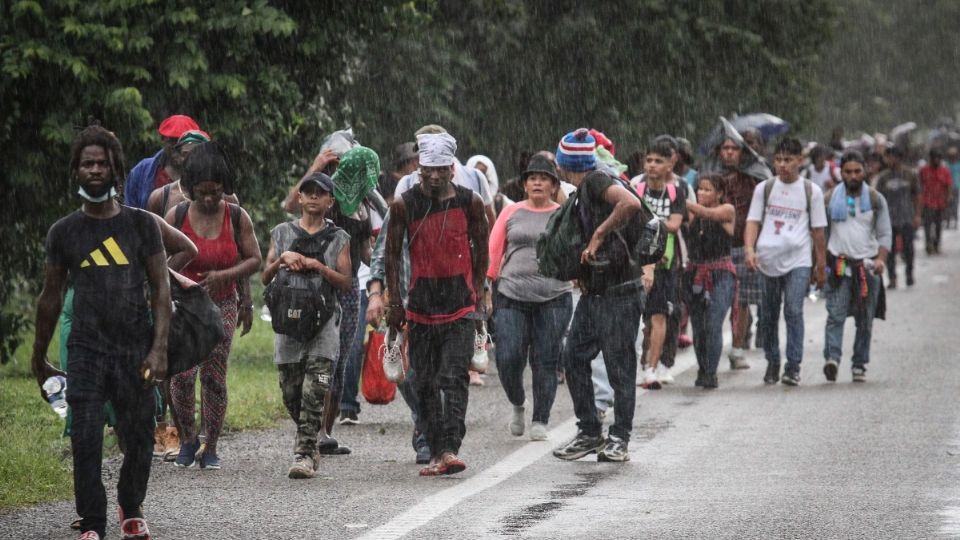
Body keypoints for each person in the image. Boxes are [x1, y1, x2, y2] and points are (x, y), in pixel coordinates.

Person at [32, 124, 171, 540]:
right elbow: (51, 297)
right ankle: (92, 523)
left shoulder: (141, 225)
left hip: (135, 348)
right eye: (87, 163)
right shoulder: (64, 231)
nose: (95, 169)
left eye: (102, 163)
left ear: (116, 169)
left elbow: (162, 289)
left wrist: (159, 349)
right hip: (87, 350)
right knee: (86, 439)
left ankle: (131, 507)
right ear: (76, 170)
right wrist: (39, 356)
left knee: (140, 436)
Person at [385, 131, 489, 476]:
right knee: (423, 380)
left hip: (460, 303)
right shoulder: (404, 205)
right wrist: (394, 304)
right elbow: (391, 257)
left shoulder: (470, 202)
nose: (432, 176)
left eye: (440, 169)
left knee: (454, 376)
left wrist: (479, 299)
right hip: (420, 305)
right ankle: (436, 449)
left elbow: (481, 253)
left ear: (451, 170)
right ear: (419, 169)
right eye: (427, 169)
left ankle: (449, 447)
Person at [551, 128, 647, 463]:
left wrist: (597, 237)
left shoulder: (595, 180)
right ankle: (590, 431)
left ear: (565, 164)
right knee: (574, 356)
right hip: (597, 292)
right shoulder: (586, 187)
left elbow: (631, 203)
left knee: (620, 367)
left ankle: (619, 437)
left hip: (621, 292)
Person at [166, 142, 261, 470]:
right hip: (185, 309)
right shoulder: (176, 215)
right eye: (203, 192)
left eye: (216, 192)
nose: (209, 199)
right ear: (191, 188)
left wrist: (227, 278)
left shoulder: (236, 216)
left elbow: (254, 259)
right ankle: (188, 438)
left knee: (214, 377)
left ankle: (212, 445)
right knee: (181, 375)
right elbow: (156, 262)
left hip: (223, 306)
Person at [262, 172, 352, 478]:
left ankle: (303, 454)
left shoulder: (339, 238)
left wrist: (317, 266)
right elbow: (265, 276)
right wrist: (283, 259)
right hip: (287, 321)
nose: (313, 197)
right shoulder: (282, 232)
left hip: (324, 320)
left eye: (320, 193)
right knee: (291, 391)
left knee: (317, 387)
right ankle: (311, 441)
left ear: (330, 201)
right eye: (308, 192)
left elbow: (346, 281)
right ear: (299, 198)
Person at [487, 155, 573, 441]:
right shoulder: (511, 213)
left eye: (544, 178)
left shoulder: (564, 214)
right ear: (524, 185)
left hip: (554, 297)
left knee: (546, 359)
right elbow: (493, 251)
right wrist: (486, 288)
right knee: (508, 356)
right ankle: (518, 402)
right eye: (532, 178)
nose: (537, 182)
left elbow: (575, 248)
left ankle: (541, 418)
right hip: (511, 295)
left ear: (553, 185)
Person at [744, 137, 827, 386]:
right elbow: (752, 222)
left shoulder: (811, 191)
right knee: (768, 315)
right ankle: (772, 360)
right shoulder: (765, 188)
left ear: (800, 161)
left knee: (793, 310)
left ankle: (793, 366)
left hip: (798, 260)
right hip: (767, 261)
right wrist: (749, 250)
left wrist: (819, 264)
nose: (783, 165)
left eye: (788, 160)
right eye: (778, 159)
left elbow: (818, 232)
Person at [701, 122, 771, 369]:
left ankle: (738, 349)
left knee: (741, 302)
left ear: (742, 152)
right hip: (714, 249)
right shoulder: (710, 177)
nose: (729, 152)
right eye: (725, 148)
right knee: (713, 303)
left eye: (735, 148)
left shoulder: (753, 179)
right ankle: (709, 349)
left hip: (743, 246)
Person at [821, 151, 891, 383]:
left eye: (857, 171)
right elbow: (820, 233)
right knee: (835, 315)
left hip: (867, 268)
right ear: (841, 173)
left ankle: (859, 363)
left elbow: (884, 233)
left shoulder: (875, 199)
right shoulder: (829, 199)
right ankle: (832, 359)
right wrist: (820, 263)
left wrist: (880, 259)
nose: (852, 176)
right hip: (839, 266)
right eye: (848, 172)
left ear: (864, 172)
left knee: (865, 319)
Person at [633, 140, 686, 389]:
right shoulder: (636, 188)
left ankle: (651, 369)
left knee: (659, 316)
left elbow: (675, 224)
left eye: (658, 161)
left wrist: (651, 229)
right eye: (649, 160)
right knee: (635, 317)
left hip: (666, 264)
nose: (652, 165)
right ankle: (636, 364)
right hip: (636, 262)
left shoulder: (676, 191)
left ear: (669, 165)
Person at [684, 173, 736, 389]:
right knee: (698, 326)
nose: (701, 193)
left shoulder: (727, 210)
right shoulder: (691, 212)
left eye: (707, 189)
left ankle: (711, 371)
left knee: (713, 324)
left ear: (720, 193)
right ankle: (702, 367)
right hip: (695, 273)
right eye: (700, 189)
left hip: (720, 273)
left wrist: (679, 195)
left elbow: (707, 213)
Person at [125, 114, 200, 210]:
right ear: (163, 141)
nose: (178, 147)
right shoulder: (141, 171)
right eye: (173, 141)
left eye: (184, 142)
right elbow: (130, 210)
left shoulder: (207, 173)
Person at [874, 146, 921, 288]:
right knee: (890, 249)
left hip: (907, 216)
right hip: (889, 219)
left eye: (891, 157)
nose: (889, 160)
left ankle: (909, 274)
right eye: (888, 157)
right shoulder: (883, 178)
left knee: (909, 248)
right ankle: (892, 277)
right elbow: (877, 199)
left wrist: (917, 215)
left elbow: (917, 195)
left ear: (898, 158)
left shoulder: (910, 175)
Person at [918, 148, 952, 254]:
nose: (936, 160)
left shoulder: (944, 171)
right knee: (927, 225)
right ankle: (928, 244)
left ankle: (936, 244)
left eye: (938, 158)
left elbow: (948, 185)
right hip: (927, 202)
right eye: (934, 158)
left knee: (938, 225)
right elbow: (919, 185)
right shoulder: (924, 170)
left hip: (940, 202)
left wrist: (948, 197)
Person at [945, 145, 960, 229]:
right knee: (948, 205)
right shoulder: (947, 165)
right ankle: (948, 221)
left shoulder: (958, 165)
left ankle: (954, 221)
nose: (953, 157)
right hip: (947, 188)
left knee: (954, 205)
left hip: (955, 187)